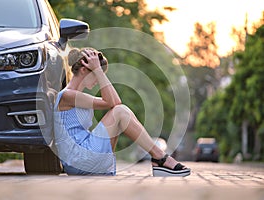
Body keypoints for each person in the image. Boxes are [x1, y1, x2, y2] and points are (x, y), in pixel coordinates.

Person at [53, 47, 191, 177]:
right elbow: (114, 103)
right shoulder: (68, 96)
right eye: (95, 74)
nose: (97, 80)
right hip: (78, 158)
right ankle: (160, 158)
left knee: (121, 111)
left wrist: (98, 71)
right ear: (84, 70)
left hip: (82, 157)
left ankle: (158, 157)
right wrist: (98, 71)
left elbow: (114, 101)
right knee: (120, 111)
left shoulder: (80, 97)